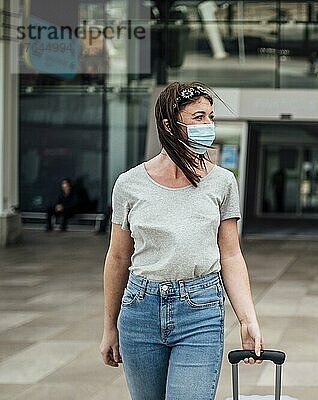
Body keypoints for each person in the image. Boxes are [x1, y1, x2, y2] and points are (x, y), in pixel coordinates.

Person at [99, 82, 263, 400]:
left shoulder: (222, 182)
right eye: (198, 117)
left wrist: (248, 319)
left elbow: (230, 255)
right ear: (169, 124)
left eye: (210, 117)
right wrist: (109, 327)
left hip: (199, 310)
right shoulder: (129, 184)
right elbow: (117, 258)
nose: (208, 126)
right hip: (139, 310)